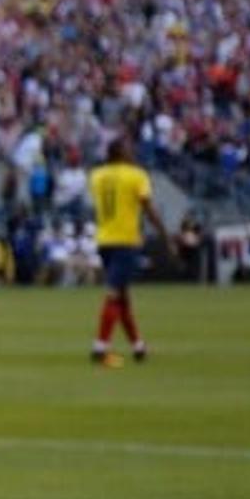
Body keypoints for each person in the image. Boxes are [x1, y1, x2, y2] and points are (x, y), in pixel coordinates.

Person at [89, 139, 171, 366]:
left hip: (104, 240)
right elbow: (148, 207)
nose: (132, 151)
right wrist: (165, 234)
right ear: (122, 152)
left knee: (122, 296)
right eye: (129, 149)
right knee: (114, 294)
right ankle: (100, 347)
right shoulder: (136, 175)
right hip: (125, 240)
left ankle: (138, 346)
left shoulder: (97, 176)